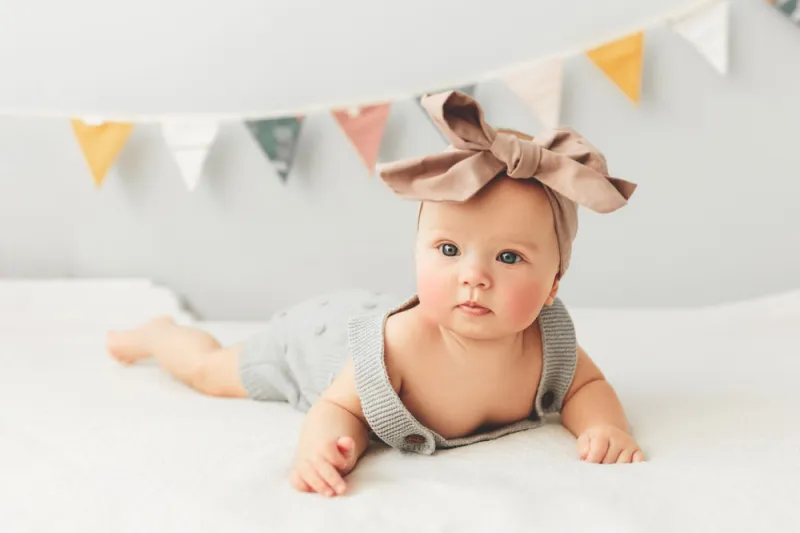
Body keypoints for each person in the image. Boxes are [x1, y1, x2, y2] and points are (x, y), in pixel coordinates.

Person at [106, 90, 644, 498]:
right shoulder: (403, 344)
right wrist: (327, 443)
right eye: (449, 250)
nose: (474, 276)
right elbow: (340, 405)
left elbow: (586, 386)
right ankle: (162, 336)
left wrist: (604, 426)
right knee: (212, 372)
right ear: (417, 251)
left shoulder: (547, 343)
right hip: (316, 342)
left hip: (365, 307)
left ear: (553, 284)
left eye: (508, 258)